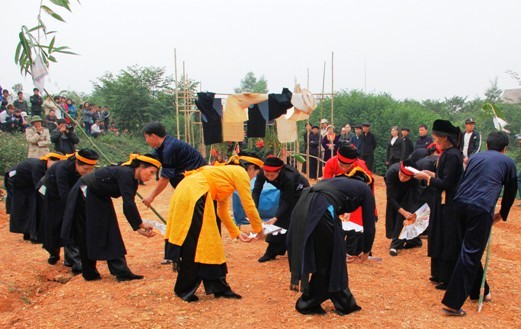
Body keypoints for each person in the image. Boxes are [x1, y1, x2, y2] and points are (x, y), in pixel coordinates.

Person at [164, 153, 266, 302]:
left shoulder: (225, 174)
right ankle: (184, 289)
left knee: (211, 243)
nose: (253, 177)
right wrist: (259, 230)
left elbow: (222, 211)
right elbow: (248, 205)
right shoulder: (240, 173)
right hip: (195, 193)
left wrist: (236, 233)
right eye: (256, 173)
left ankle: (218, 286)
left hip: (191, 191)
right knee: (196, 244)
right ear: (251, 168)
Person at [441, 131, 517, 317]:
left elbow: (466, 180)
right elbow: (511, 191)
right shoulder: (508, 162)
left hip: (459, 205)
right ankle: (452, 303)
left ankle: (479, 291)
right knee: (470, 253)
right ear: (505, 149)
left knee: (466, 251)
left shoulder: (475, 157)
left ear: (487, 145)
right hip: (480, 208)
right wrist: (502, 214)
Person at [61, 154, 159, 282]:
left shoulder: (131, 179)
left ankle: (111, 272)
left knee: (106, 229)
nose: (150, 176)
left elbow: (129, 204)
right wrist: (140, 224)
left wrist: (137, 227)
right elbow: (128, 204)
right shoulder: (126, 174)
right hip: (85, 192)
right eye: (150, 172)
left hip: (98, 195)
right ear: (141, 167)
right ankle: (95, 272)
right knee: (96, 230)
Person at [288, 177, 376, 316]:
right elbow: (369, 224)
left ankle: (343, 301)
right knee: (329, 259)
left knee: (330, 255)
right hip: (320, 208)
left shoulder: (338, 183)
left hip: (303, 204)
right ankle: (307, 303)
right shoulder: (366, 190)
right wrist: (366, 250)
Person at [141, 121, 208, 264]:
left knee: (187, 220)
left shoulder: (169, 148)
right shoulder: (162, 146)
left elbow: (165, 178)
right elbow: (150, 160)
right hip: (186, 186)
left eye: (146, 137)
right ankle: (175, 254)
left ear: (153, 136)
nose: (145, 140)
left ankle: (188, 253)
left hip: (195, 188)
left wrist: (151, 197)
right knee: (178, 219)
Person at [414, 120, 463, 290]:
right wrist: (431, 174)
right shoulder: (447, 154)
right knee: (437, 236)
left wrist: (428, 178)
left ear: (445, 138)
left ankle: (447, 277)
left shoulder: (453, 155)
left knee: (446, 238)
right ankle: (438, 274)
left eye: (436, 138)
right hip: (440, 202)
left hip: (449, 203)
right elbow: (443, 177)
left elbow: (448, 183)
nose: (434, 142)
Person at [40, 149, 99, 272]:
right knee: (56, 225)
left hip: (67, 193)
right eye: (86, 169)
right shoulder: (63, 169)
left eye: (91, 169)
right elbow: (64, 194)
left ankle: (72, 260)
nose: (88, 172)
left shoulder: (80, 172)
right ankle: (53, 253)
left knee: (71, 225)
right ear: (77, 164)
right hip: (52, 195)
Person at [253, 156, 309, 262]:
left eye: (272, 175)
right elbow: (256, 192)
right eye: (267, 175)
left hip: (300, 190)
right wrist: (253, 211)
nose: (269, 177)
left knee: (287, 218)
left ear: (279, 171)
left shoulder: (289, 177)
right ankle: (275, 250)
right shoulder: (261, 173)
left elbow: (287, 201)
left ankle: (275, 251)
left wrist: (275, 217)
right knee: (283, 217)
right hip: (285, 190)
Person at [322, 144, 375, 257]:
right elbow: (327, 186)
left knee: (357, 220)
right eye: (341, 165)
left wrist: (349, 209)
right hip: (337, 190)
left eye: (348, 166)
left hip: (357, 192)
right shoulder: (330, 163)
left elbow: (363, 189)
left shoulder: (359, 165)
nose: (344, 168)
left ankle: (359, 249)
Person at [4, 152, 66, 241]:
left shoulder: (46, 167)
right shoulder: (38, 166)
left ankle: (30, 232)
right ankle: (28, 233)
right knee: (24, 207)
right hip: (16, 182)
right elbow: (39, 186)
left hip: (27, 184)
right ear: (48, 160)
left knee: (32, 205)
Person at [385, 161, 423, 256]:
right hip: (395, 190)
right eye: (401, 174)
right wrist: (402, 211)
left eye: (406, 177)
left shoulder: (416, 179)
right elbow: (390, 197)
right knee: (394, 211)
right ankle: (415, 241)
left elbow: (416, 198)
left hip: (409, 191)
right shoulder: (392, 172)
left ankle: (396, 245)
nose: (402, 178)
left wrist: (409, 213)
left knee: (405, 214)